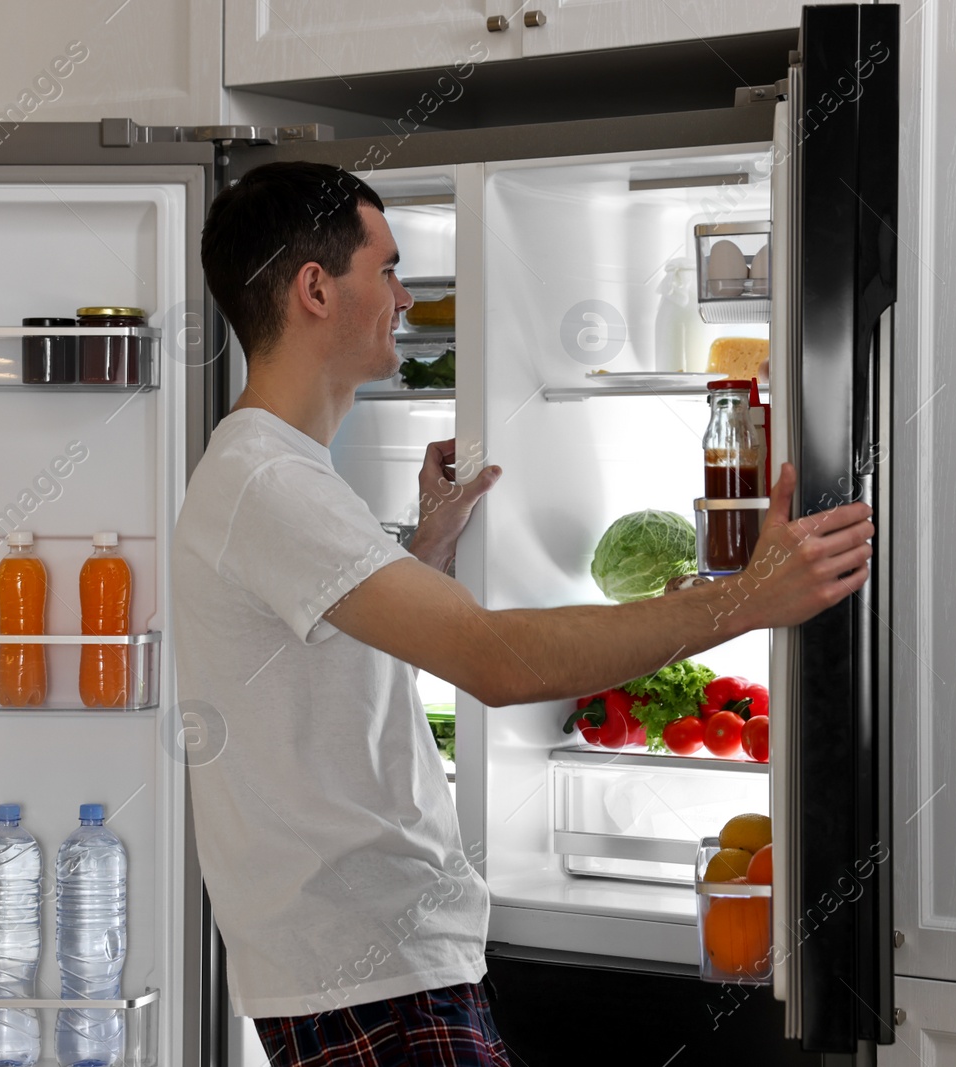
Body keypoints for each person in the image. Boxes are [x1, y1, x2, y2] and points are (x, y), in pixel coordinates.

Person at [171, 162, 873, 1066]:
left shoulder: (282, 473)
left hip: (377, 963)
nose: (405, 293)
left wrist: (424, 549)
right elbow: (497, 662)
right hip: (367, 970)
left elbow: (327, 644)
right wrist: (746, 598)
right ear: (315, 288)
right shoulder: (269, 480)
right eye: (385, 269)